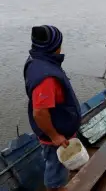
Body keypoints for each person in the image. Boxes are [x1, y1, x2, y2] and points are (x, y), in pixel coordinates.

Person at [23, 25, 81, 191]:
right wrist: (55, 136)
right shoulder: (46, 77)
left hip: (59, 125)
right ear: (54, 46)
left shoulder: (36, 60)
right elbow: (40, 112)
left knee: (56, 166)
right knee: (55, 174)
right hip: (56, 135)